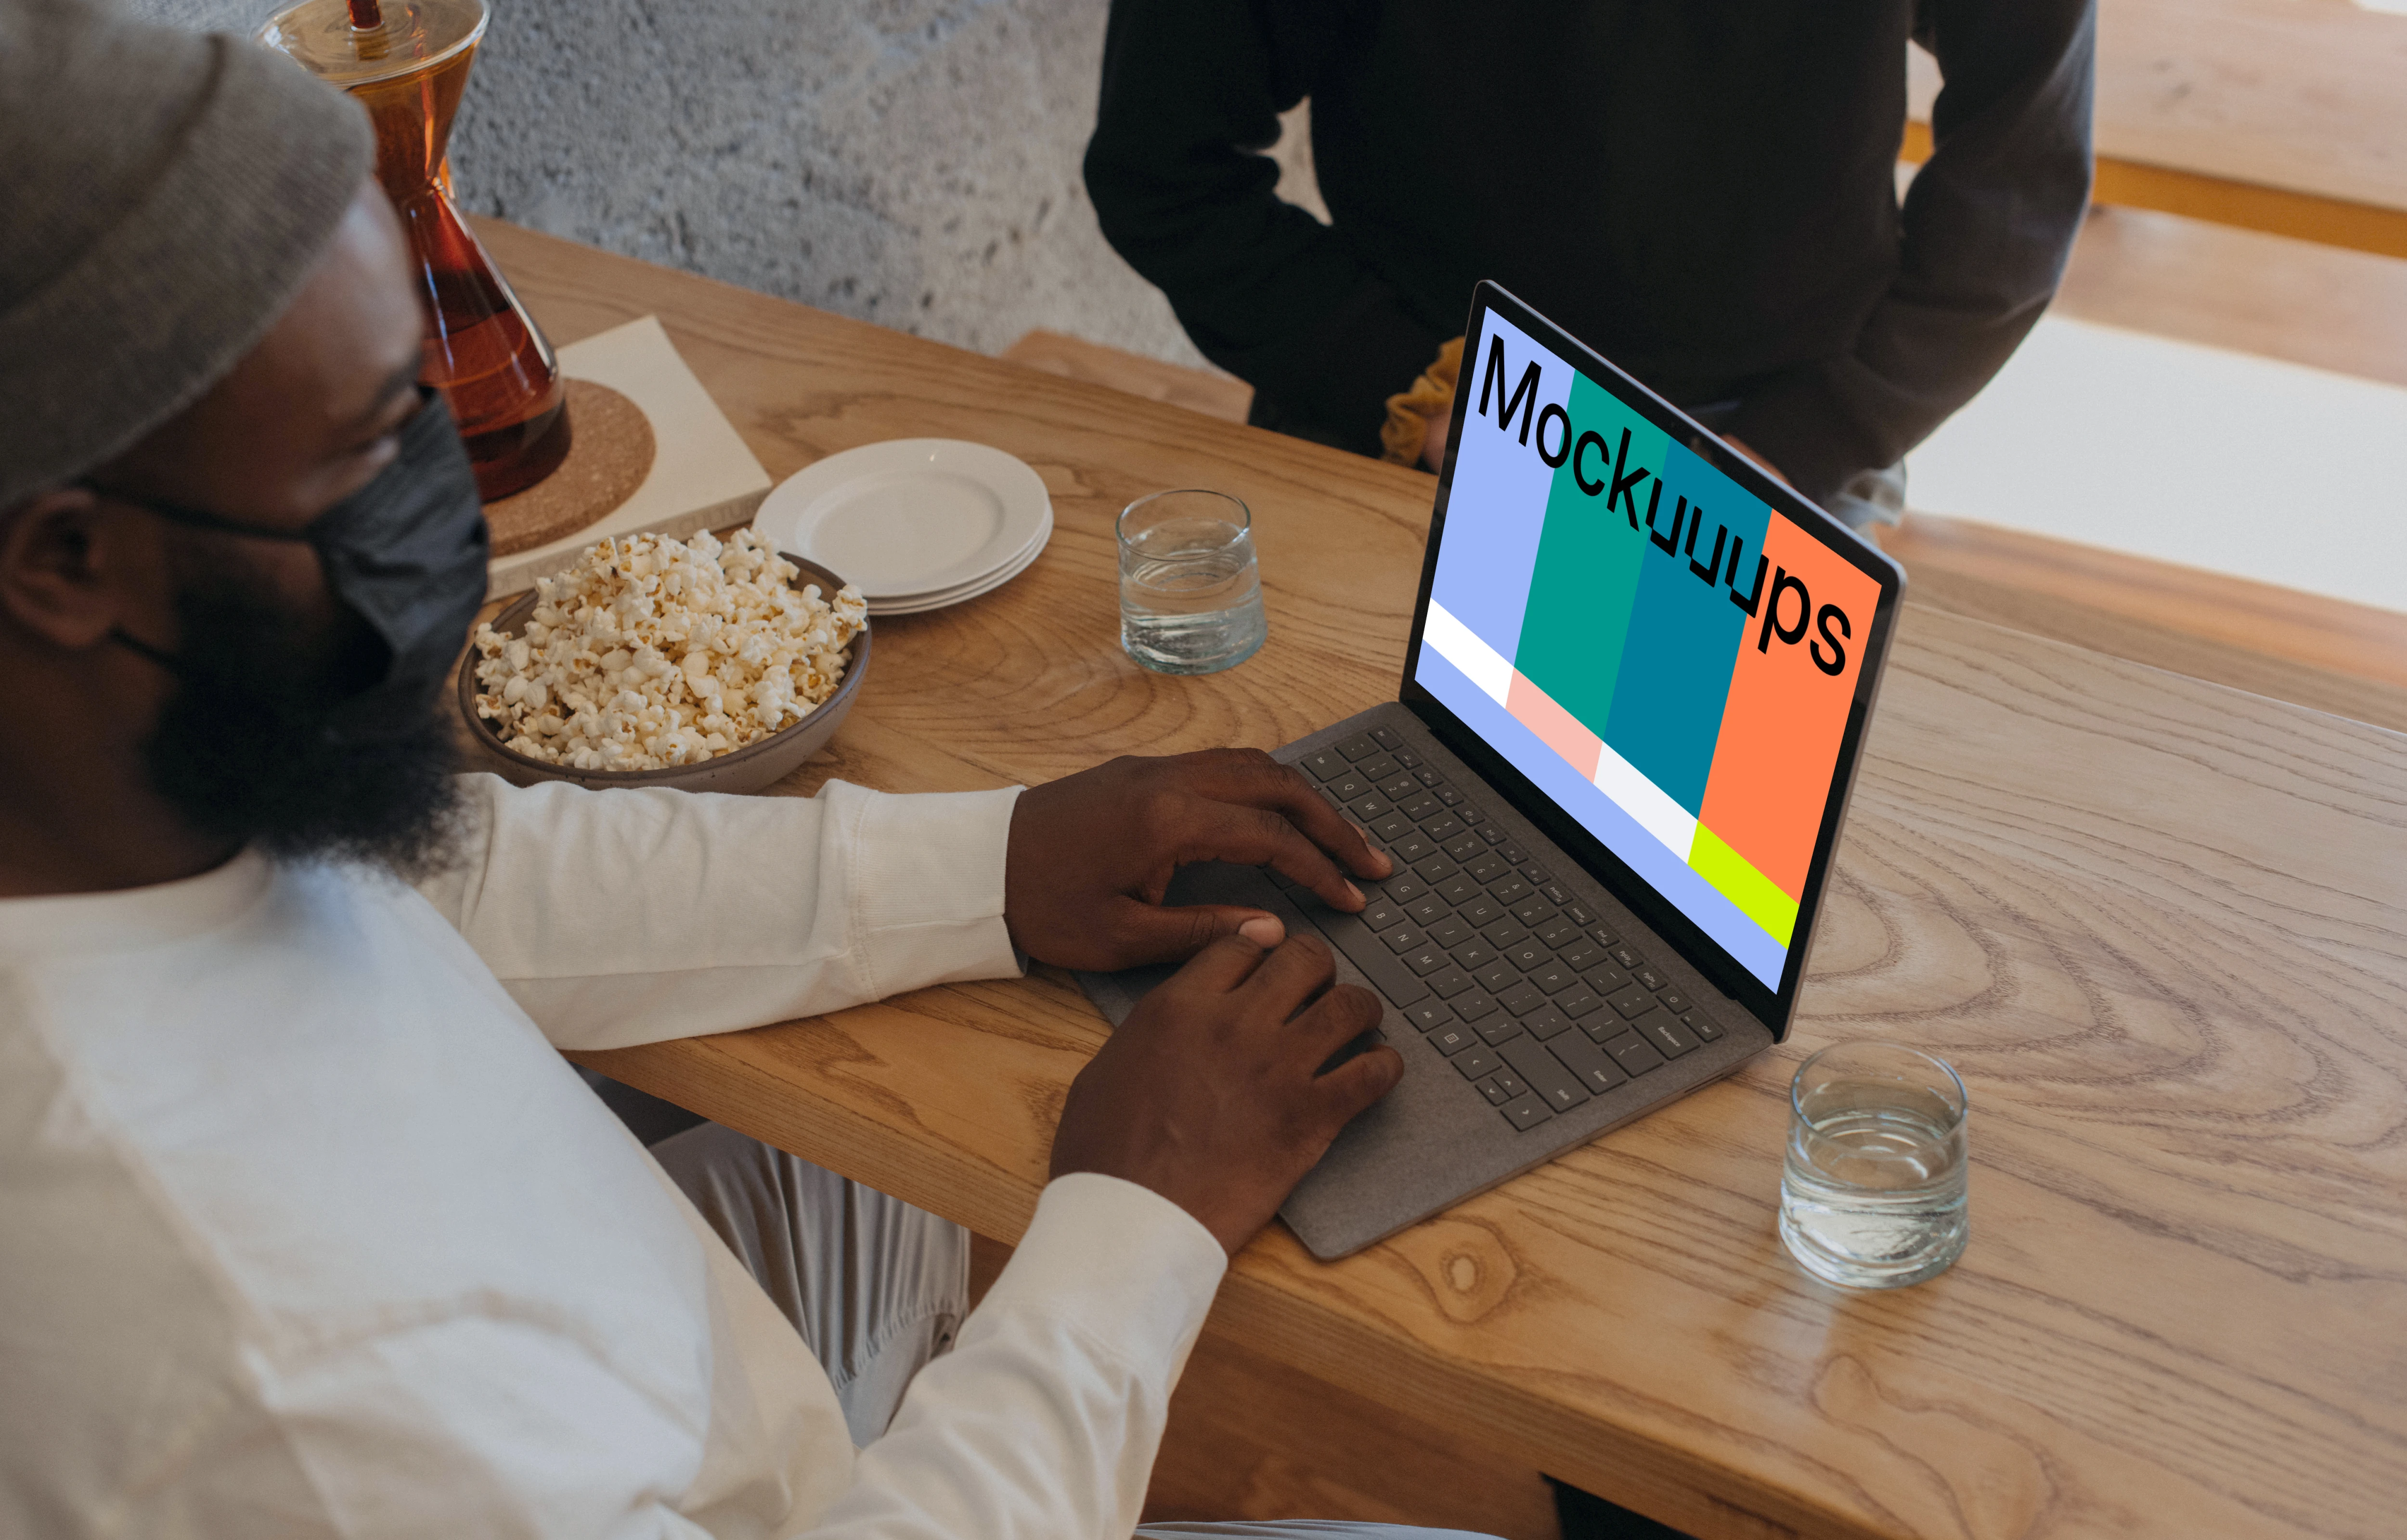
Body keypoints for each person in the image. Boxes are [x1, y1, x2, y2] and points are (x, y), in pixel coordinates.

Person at [0, 4, 1501, 1536]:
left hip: (669, 1364)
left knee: (917, 1142)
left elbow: (459, 872)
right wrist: (1136, 1221)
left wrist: (997, 864)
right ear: (67, 560)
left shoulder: (116, 803)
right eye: (373, 443)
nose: (450, 493)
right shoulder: (272, 1387)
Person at [1084, 0, 2096, 533]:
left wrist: (1811, 438)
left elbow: (2022, 175)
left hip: (1776, 443)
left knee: (1702, 903)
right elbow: (1164, 166)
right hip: (1414, 419)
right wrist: (1420, 395)